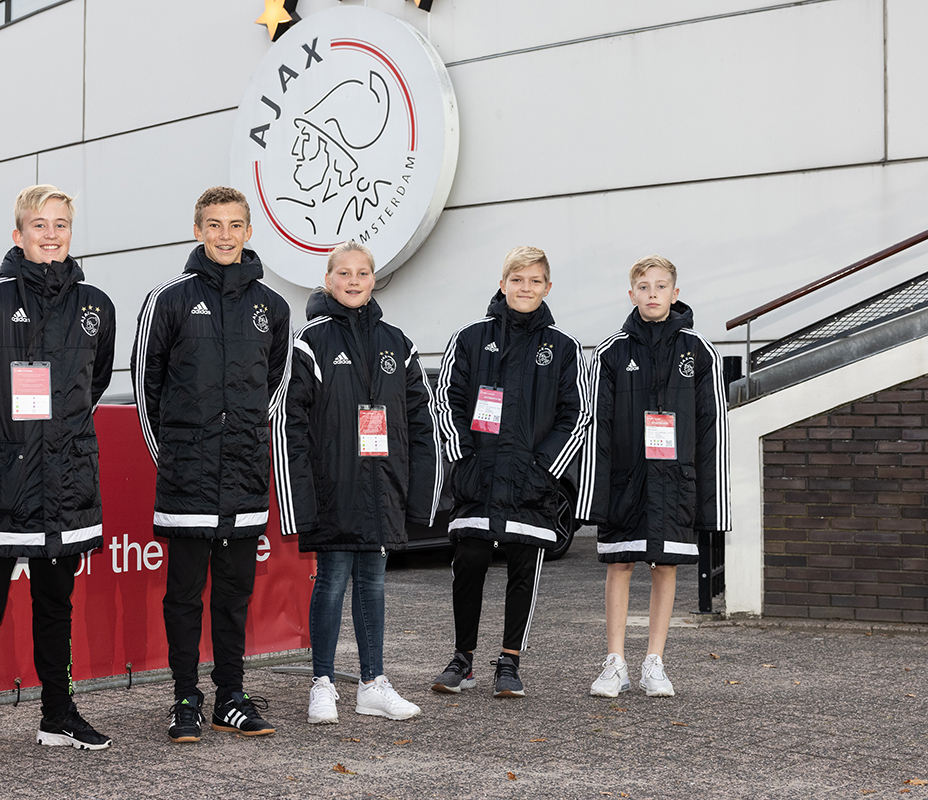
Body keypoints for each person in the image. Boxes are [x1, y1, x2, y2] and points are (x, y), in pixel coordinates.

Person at [0, 185, 116, 762]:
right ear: (17, 235)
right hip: (1, 487)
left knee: (56, 605)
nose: (51, 233)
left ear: (72, 231)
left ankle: (57, 715)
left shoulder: (96, 305)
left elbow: (90, 387)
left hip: (66, 484)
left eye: (61, 224)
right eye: (39, 225)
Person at [131, 186, 291, 743]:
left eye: (235, 225)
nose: (225, 235)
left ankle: (230, 695)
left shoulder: (273, 306)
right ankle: (185, 698)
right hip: (187, 477)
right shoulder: (168, 299)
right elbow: (144, 385)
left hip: (245, 476)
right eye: (214, 225)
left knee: (234, 595)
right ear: (197, 230)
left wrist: (244, 442)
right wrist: (171, 457)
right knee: (182, 595)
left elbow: (275, 385)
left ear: (249, 232)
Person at [274, 241, 441, 725]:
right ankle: (322, 683)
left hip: (381, 488)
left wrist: (419, 490)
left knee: (372, 585)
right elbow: (291, 423)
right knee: (330, 583)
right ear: (328, 281)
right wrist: (299, 500)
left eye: (362, 273)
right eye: (343, 273)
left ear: (374, 279)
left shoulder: (398, 342)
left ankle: (372, 684)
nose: (352, 281)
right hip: (334, 489)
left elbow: (419, 420)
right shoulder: (310, 342)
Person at [431, 246, 587, 698]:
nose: (525, 288)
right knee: (471, 563)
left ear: (548, 287)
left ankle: (509, 662)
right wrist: (465, 457)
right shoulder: (470, 338)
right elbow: (447, 400)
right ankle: (463, 659)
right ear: (502, 284)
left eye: (535, 280)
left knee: (524, 570)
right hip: (479, 477)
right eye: (517, 279)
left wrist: (543, 467)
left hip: (532, 484)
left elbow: (576, 414)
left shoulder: (564, 348)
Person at [578, 255, 730, 698]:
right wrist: (596, 493)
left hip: (675, 481)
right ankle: (615, 662)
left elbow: (711, 428)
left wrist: (710, 497)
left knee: (666, 564)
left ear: (675, 293)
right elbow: (595, 424)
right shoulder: (609, 352)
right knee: (620, 563)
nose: (652, 294)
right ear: (631, 295)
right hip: (627, 479)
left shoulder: (700, 352)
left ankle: (654, 662)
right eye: (643, 287)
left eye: (660, 286)